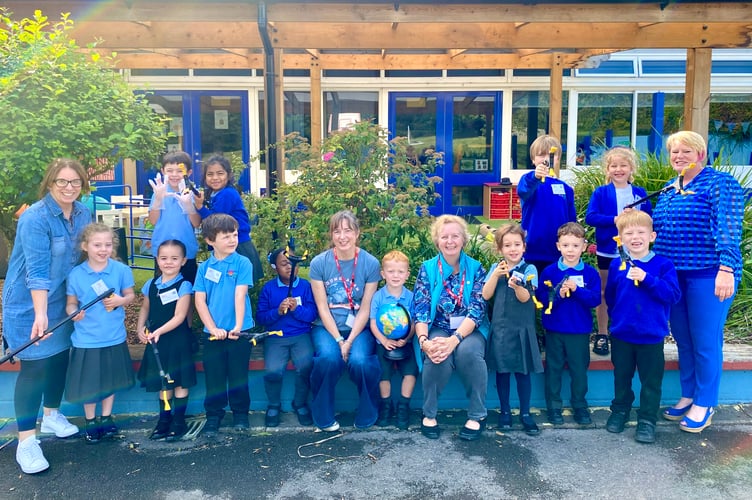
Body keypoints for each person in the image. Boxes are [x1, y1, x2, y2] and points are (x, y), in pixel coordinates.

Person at [653, 131, 745, 433]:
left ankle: (705, 402)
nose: (679, 156)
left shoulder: (720, 183)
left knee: (706, 341)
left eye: (686, 151)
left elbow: (729, 228)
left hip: (709, 273)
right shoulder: (670, 189)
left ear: (700, 155)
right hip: (675, 274)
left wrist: (727, 269)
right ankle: (688, 394)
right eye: (674, 152)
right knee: (683, 338)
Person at [2, 159, 91, 474]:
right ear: (50, 184)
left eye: (75, 182)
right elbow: (37, 273)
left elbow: (85, 257)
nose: (69, 188)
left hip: (63, 301)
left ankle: (51, 416)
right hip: (29, 305)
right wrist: (40, 314)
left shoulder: (83, 214)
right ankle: (26, 443)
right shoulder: (35, 218)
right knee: (34, 368)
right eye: (62, 182)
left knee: (59, 360)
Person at [604, 211, 681, 443]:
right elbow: (611, 297)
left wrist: (648, 279)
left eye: (640, 232)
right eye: (628, 233)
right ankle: (620, 410)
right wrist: (617, 320)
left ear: (652, 236)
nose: (635, 237)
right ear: (621, 238)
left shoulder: (663, 265)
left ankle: (647, 420)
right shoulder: (618, 264)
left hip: (651, 335)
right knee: (622, 376)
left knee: (650, 381)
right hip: (623, 334)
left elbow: (673, 295)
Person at [414, 215, 489, 441]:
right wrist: (424, 341)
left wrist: (454, 340)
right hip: (437, 326)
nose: (450, 241)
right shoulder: (427, 269)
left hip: (470, 328)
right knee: (436, 354)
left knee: (469, 353)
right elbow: (421, 308)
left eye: (455, 236)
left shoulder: (476, 268)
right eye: (444, 236)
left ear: (463, 239)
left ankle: (477, 415)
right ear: (437, 241)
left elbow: (477, 309)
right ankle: (429, 413)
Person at [308, 210, 382, 431]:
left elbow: (366, 306)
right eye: (337, 231)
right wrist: (340, 340)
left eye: (348, 230)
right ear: (331, 235)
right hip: (327, 327)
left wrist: (349, 341)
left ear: (357, 233)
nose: (342, 236)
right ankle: (322, 414)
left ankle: (368, 411)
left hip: (359, 328)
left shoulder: (370, 263)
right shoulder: (319, 263)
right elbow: (322, 306)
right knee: (328, 358)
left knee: (360, 361)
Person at [65, 223, 136, 444]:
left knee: (110, 381)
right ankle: (91, 420)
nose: (103, 249)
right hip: (87, 339)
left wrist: (119, 301)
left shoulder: (121, 270)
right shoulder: (76, 274)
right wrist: (73, 313)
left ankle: (106, 417)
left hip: (113, 336)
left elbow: (130, 296)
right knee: (90, 384)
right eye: (97, 245)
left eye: (107, 244)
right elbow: (71, 303)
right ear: (85, 246)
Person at [585, 146, 652, 356]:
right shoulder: (601, 192)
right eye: (614, 165)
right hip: (607, 250)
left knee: (632, 289)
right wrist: (615, 219)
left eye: (623, 165)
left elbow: (649, 221)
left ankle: (627, 329)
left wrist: (635, 219)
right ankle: (603, 333)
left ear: (631, 168)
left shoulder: (639, 193)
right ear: (607, 169)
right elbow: (591, 217)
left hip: (634, 253)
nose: (618, 169)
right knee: (605, 291)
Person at [193, 213, 255, 437]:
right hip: (214, 334)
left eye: (235, 235)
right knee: (215, 376)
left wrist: (237, 326)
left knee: (238, 375)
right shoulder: (203, 268)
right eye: (226, 236)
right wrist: (212, 327)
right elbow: (200, 300)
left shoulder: (242, 263)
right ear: (210, 240)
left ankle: (240, 414)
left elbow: (240, 295)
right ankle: (213, 416)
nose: (232, 240)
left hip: (240, 331)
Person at [536, 222, 600, 426]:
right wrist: (560, 294)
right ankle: (554, 407)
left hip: (579, 331)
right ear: (558, 246)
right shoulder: (550, 272)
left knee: (579, 370)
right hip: (555, 330)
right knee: (553, 369)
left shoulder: (590, 273)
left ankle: (579, 405)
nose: (570, 250)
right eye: (566, 245)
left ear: (583, 246)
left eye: (575, 245)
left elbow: (595, 300)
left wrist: (577, 290)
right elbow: (542, 300)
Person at [481, 223, 542, 436]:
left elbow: (527, 299)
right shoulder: (496, 269)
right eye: (507, 245)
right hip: (501, 330)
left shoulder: (530, 269)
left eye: (517, 244)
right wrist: (495, 275)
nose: (513, 249)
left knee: (523, 372)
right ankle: (505, 411)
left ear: (524, 247)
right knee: (503, 371)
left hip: (522, 330)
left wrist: (518, 286)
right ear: (500, 249)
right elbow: (486, 295)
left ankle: (525, 413)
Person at [136, 239, 197, 441]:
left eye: (174, 258)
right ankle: (164, 420)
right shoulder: (151, 284)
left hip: (177, 340)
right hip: (157, 342)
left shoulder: (184, 285)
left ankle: (179, 421)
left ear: (183, 260)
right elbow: (145, 307)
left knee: (179, 380)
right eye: (163, 258)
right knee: (164, 383)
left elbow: (180, 316)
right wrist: (139, 328)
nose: (168, 262)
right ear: (157, 260)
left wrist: (159, 331)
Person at [256, 248, 317, 427]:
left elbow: (312, 314)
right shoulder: (269, 289)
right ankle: (274, 405)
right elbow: (261, 317)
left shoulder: (305, 287)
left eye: (293, 264)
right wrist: (277, 312)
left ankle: (299, 403)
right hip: (276, 337)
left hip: (301, 335)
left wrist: (296, 309)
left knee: (306, 366)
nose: (289, 268)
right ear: (275, 267)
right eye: (284, 264)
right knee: (273, 371)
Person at [194, 154, 264, 284]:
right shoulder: (214, 193)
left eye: (220, 173)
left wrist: (199, 207)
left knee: (235, 286)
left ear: (228, 175)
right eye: (210, 174)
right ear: (205, 177)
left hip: (238, 246)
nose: (215, 178)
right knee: (225, 285)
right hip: (226, 245)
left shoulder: (227, 194)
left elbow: (216, 221)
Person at [369, 250, 417, 430]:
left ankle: (403, 407)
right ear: (383, 274)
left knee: (411, 372)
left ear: (407, 274)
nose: (395, 275)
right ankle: (386, 406)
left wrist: (407, 338)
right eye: (391, 271)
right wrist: (383, 340)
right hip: (384, 342)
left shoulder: (411, 297)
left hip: (406, 342)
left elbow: (413, 323)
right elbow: (373, 323)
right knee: (383, 374)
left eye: (400, 271)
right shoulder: (378, 297)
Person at [517, 135, 577, 275]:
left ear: (558, 159)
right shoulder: (529, 180)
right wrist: (535, 177)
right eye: (540, 155)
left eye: (551, 155)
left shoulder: (566, 188)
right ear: (533, 160)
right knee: (531, 292)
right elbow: (523, 190)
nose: (545, 159)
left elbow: (571, 220)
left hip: (558, 251)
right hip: (532, 251)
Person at [148, 151, 201, 283]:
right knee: (162, 287)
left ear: (188, 173)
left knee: (188, 288)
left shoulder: (192, 194)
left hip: (186, 250)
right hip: (163, 251)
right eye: (169, 170)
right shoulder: (159, 192)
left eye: (179, 171)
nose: (174, 175)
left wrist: (189, 206)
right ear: (163, 171)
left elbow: (196, 223)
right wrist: (158, 201)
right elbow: (153, 220)